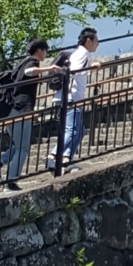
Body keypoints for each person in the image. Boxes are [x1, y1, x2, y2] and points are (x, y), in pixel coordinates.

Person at [0, 39, 56, 187]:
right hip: (22, 110)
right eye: (45, 51)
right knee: (23, 148)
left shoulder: (20, 64)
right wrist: (49, 68)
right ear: (39, 50)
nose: (46, 55)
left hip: (9, 109)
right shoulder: (32, 61)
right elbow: (30, 72)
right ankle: (10, 181)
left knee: (18, 144)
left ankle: (0, 160)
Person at [50, 27, 99, 171]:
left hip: (69, 96)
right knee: (72, 131)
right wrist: (92, 67)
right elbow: (74, 72)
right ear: (88, 40)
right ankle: (53, 156)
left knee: (80, 131)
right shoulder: (82, 53)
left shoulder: (79, 53)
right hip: (71, 97)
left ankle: (66, 159)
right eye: (96, 40)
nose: (98, 43)